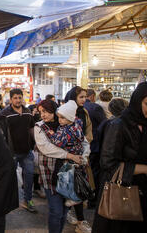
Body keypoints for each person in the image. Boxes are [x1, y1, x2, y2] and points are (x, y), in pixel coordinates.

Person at [92, 82, 147, 233]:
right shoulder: (118, 125)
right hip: (121, 197)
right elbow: (107, 164)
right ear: (137, 101)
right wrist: (143, 169)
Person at [35, 99, 89, 233]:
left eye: (46, 111)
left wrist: (84, 156)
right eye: (41, 112)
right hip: (50, 173)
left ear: (55, 111)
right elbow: (46, 148)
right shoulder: (40, 127)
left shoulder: (68, 122)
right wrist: (70, 156)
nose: (43, 115)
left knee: (65, 210)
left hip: (68, 174)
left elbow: (84, 141)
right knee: (56, 211)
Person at [1, 88, 37, 213]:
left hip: (27, 151)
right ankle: (8, 202)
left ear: (23, 98)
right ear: (11, 99)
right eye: (15, 98)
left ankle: (28, 200)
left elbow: (31, 128)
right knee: (10, 178)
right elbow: (3, 133)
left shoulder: (27, 111)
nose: (18, 100)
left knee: (29, 175)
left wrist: (36, 143)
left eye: (19, 97)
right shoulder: (5, 113)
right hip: (12, 152)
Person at [64, 86, 93, 233]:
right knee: (74, 187)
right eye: (81, 97)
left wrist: (84, 147)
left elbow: (88, 132)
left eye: (85, 97)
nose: (84, 99)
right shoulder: (65, 111)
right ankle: (79, 219)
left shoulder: (84, 112)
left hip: (82, 154)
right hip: (68, 156)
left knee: (78, 187)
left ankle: (77, 217)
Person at [84, 89, 107, 208]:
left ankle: (85, 197)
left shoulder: (79, 108)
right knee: (95, 173)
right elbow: (104, 124)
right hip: (94, 145)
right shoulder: (95, 107)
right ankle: (93, 200)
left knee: (86, 172)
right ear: (92, 96)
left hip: (83, 146)